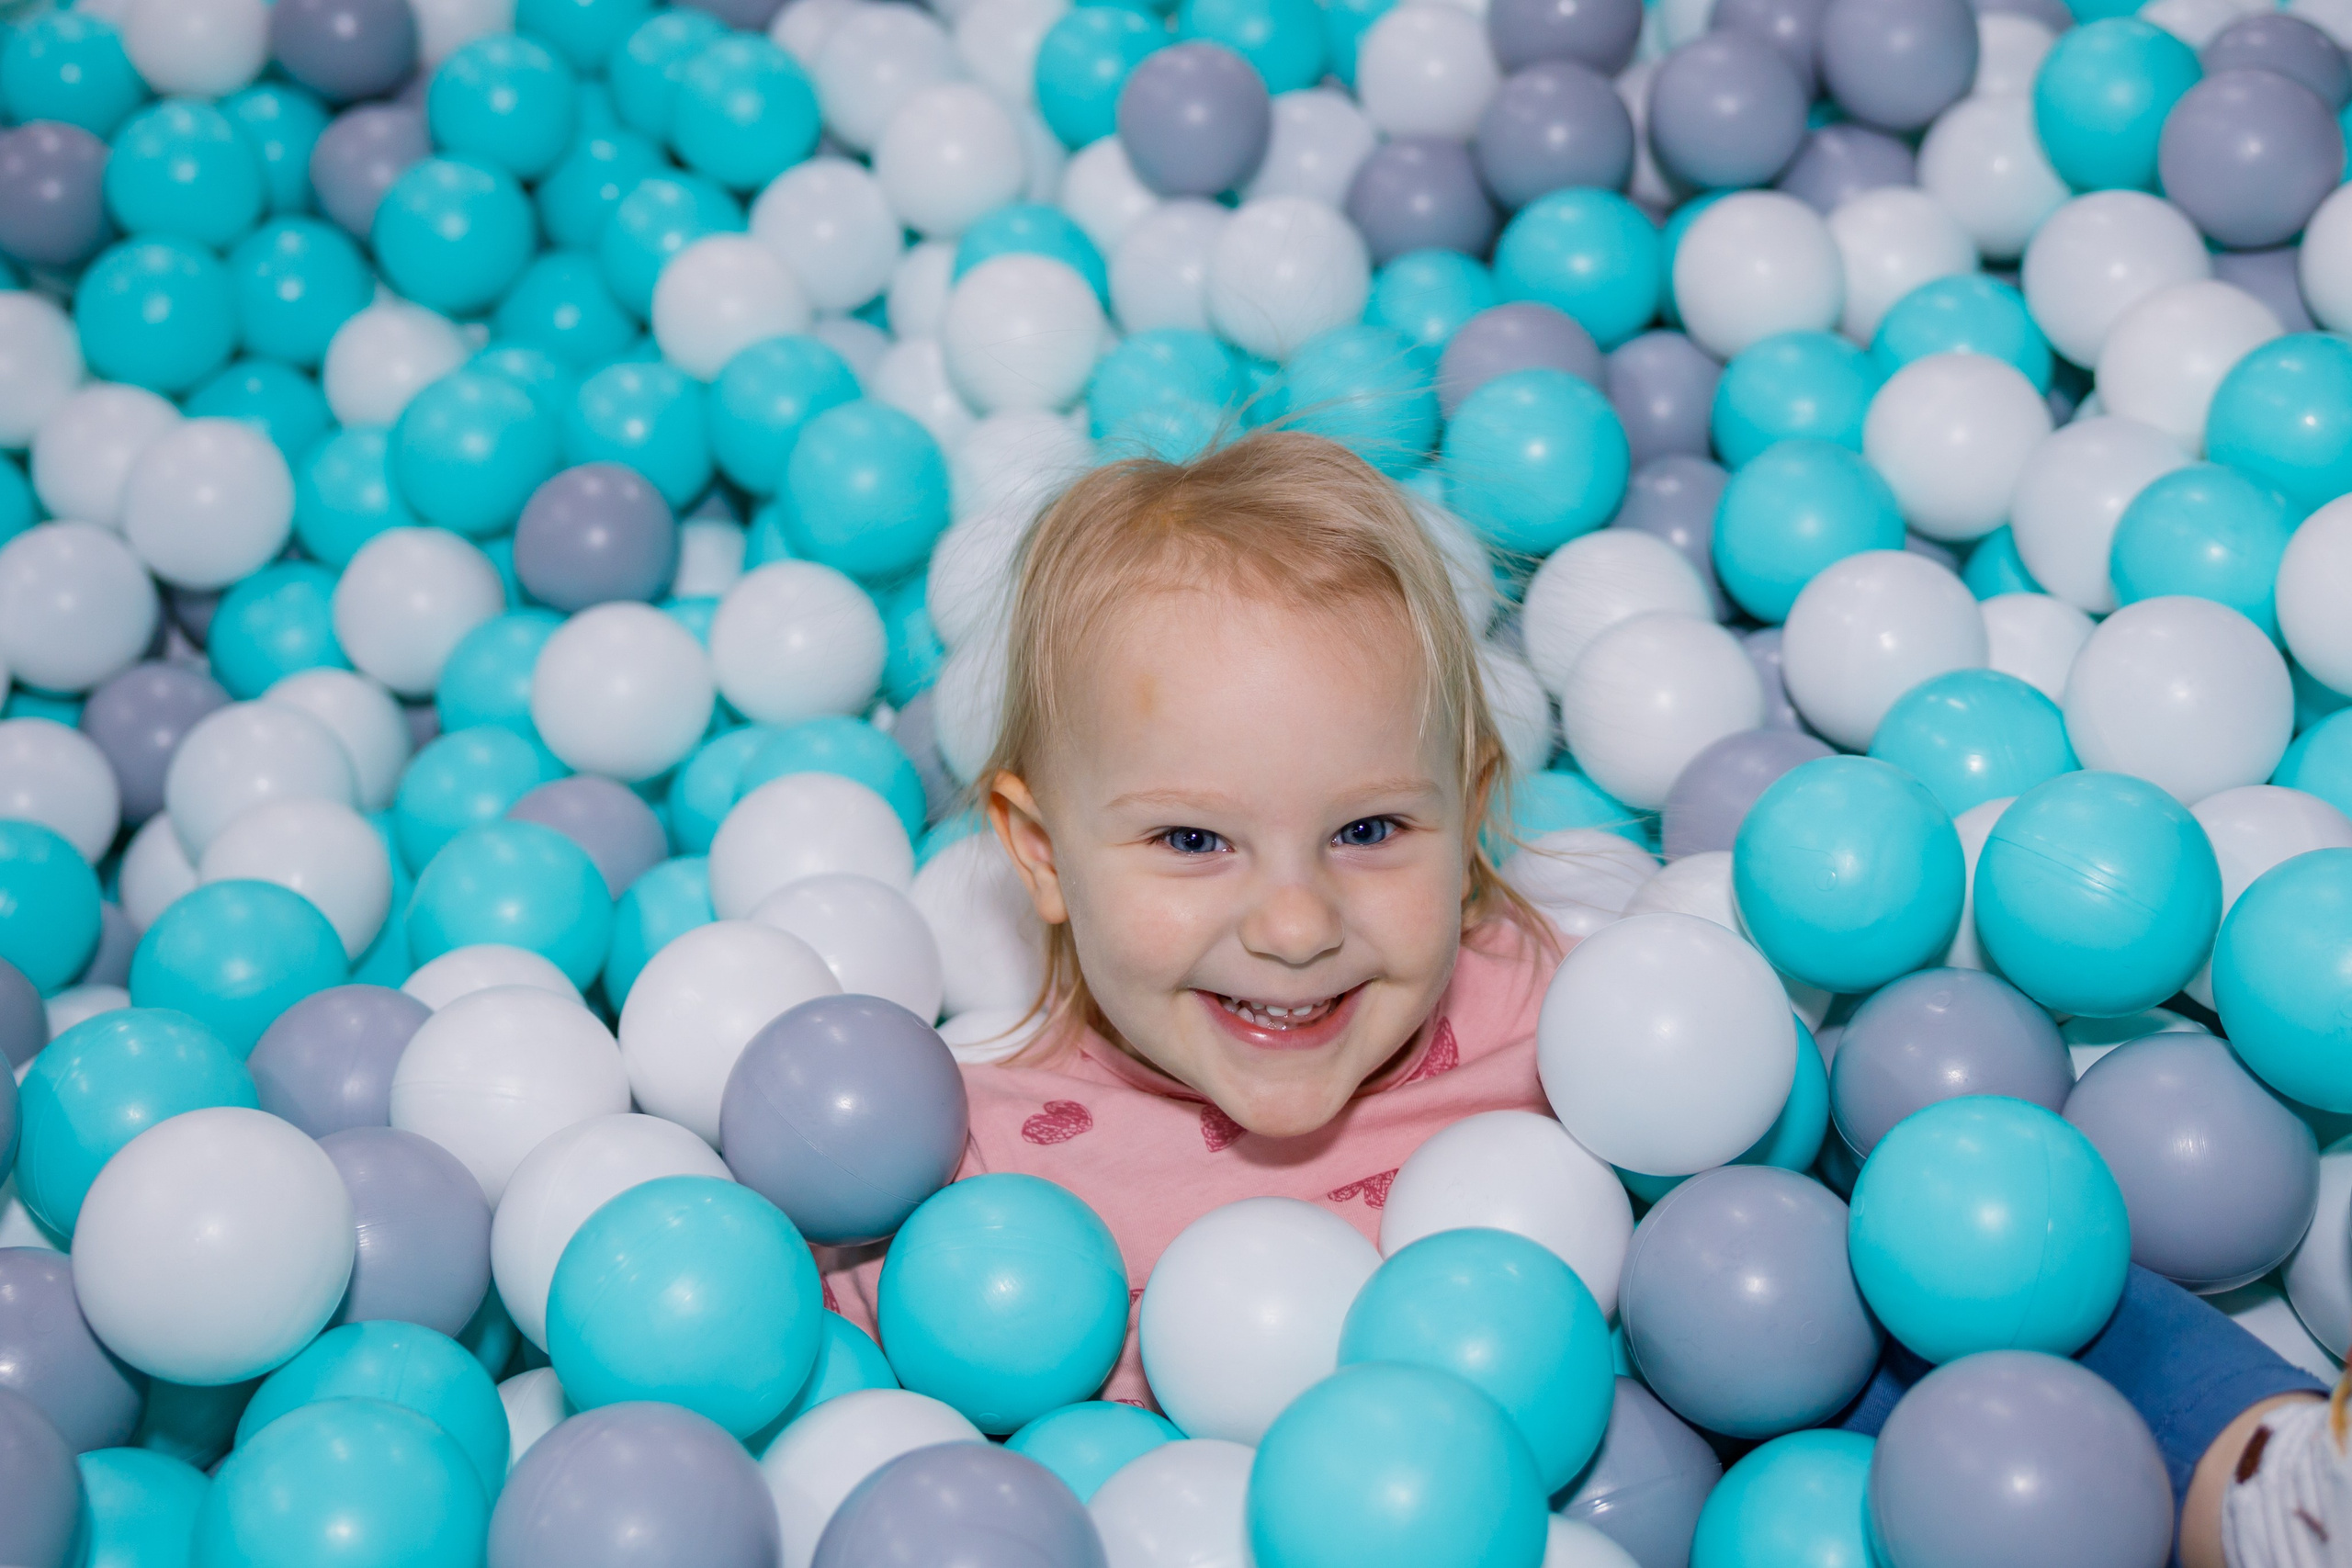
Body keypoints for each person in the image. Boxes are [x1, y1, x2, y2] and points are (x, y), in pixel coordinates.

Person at [820, 428, 2335, 1567]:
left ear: (1467, 812)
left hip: (1720, 1453)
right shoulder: (975, 1155)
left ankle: (2266, 1482)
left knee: (1956, 1265)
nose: (1293, 923)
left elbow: (1783, 1137)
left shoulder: (1565, 1006)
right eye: (1192, 841)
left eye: (1368, 832)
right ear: (1041, 854)